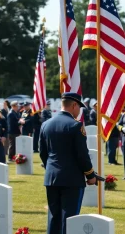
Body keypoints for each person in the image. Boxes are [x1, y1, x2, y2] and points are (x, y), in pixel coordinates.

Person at [39, 92, 97, 234]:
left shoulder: (46, 124)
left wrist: (52, 169)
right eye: (79, 108)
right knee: (69, 219)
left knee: (54, 217)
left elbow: (43, 153)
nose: (79, 111)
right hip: (72, 180)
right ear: (74, 105)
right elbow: (82, 155)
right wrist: (90, 175)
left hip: (51, 178)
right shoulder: (76, 126)